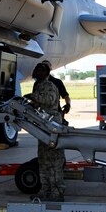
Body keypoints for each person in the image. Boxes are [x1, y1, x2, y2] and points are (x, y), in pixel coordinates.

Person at [25, 62, 66, 201]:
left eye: (41, 70)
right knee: (43, 161)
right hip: (43, 126)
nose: (38, 71)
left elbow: (49, 100)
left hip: (52, 125)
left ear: (47, 73)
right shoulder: (38, 85)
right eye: (36, 69)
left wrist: (32, 97)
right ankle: (45, 190)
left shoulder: (49, 85)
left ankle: (57, 192)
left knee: (54, 161)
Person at [41, 59, 71, 125]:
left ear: (51, 68)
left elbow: (66, 96)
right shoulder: (38, 83)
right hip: (42, 113)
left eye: (47, 66)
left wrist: (68, 104)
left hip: (55, 113)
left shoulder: (57, 82)